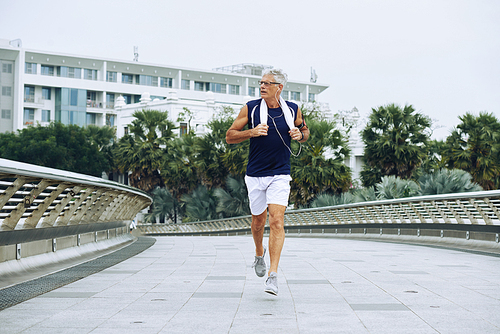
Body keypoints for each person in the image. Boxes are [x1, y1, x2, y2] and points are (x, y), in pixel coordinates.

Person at [226, 68, 309, 295]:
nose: (262, 86)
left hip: (280, 173)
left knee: (277, 221)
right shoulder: (251, 108)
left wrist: (300, 136)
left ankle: (273, 276)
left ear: (278, 88)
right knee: (257, 222)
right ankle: (258, 252)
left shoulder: (292, 109)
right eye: (261, 82)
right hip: (255, 174)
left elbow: (304, 128)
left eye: (267, 83)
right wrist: (250, 133)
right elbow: (230, 135)